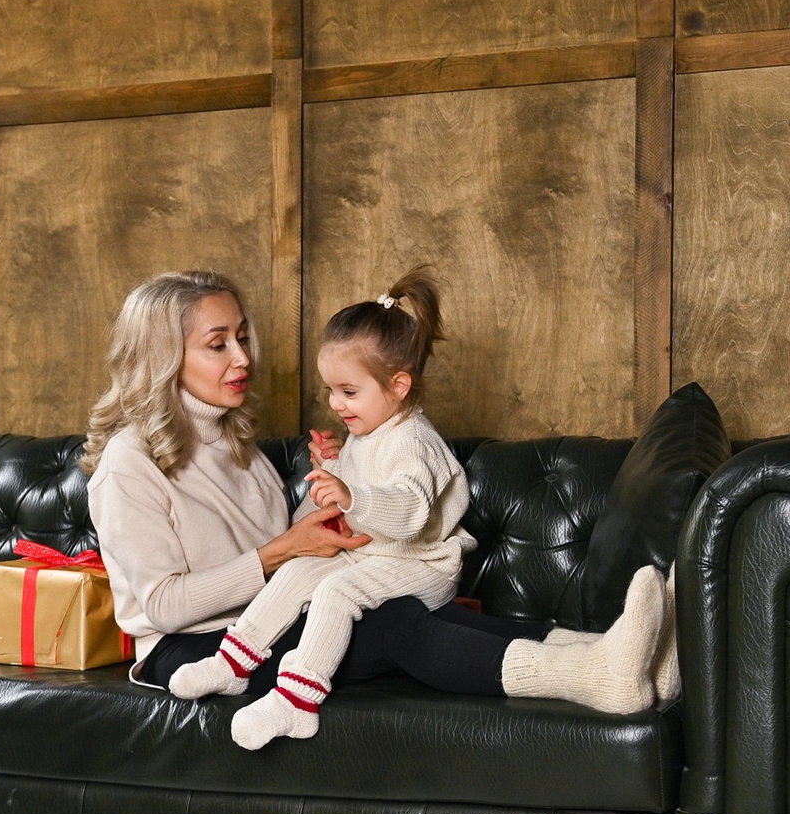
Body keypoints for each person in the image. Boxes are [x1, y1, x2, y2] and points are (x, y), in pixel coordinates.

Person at [84, 269, 669, 717]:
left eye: (242, 337)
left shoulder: (237, 441)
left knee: (421, 606)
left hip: (265, 621)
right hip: (190, 653)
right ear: (165, 356)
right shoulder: (128, 465)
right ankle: (595, 677)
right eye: (219, 344)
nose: (243, 358)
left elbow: (292, 543)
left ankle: (620, 654)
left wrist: (334, 490)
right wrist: (282, 551)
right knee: (393, 625)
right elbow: (161, 606)